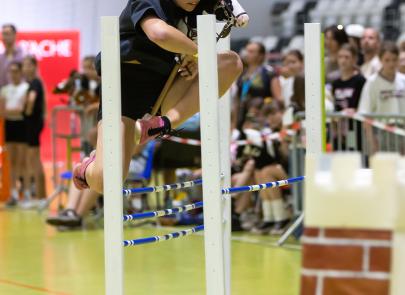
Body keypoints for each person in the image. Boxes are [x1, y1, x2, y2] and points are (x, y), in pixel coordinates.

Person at [73, 0, 248, 193]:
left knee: (231, 63)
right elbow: (160, 34)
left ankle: (161, 125)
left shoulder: (201, 6)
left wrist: (192, 59)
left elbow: (236, 14)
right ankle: (87, 167)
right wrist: (196, 53)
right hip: (124, 89)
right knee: (106, 182)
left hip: (168, 85)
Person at [358, 42, 405, 154]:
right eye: (387, 60)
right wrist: (372, 141)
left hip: (401, 130)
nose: (391, 64)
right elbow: (365, 114)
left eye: (394, 59)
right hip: (380, 131)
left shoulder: (403, 80)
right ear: (380, 60)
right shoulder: (372, 82)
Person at [0, 62, 29, 206]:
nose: (13, 74)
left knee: (22, 160)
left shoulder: (25, 88)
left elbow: (22, 109)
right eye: (10, 71)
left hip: (21, 124)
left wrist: (12, 110)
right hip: (10, 125)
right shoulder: (5, 89)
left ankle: (24, 191)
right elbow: (2, 110)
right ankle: (13, 192)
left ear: (20, 72)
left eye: (16, 71)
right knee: (11, 161)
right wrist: (13, 110)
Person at [234, 41, 281, 129]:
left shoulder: (269, 73)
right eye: (246, 50)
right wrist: (234, 124)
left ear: (261, 55)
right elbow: (237, 100)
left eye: (251, 51)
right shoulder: (241, 74)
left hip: (263, 119)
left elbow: (278, 99)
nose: (246, 54)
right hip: (243, 116)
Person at [20, 55, 46, 205]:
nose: (25, 68)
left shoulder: (35, 83)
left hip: (32, 124)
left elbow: (31, 100)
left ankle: (39, 198)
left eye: (28, 65)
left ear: (34, 67)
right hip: (33, 124)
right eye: (24, 65)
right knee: (35, 160)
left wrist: (27, 110)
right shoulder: (32, 83)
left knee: (33, 160)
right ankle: (41, 196)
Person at [0, 24, 25, 89]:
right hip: (3, 95)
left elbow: (31, 78)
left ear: (14, 35)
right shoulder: (1, 58)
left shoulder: (23, 56)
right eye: (3, 34)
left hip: (20, 95)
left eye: (8, 34)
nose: (5, 37)